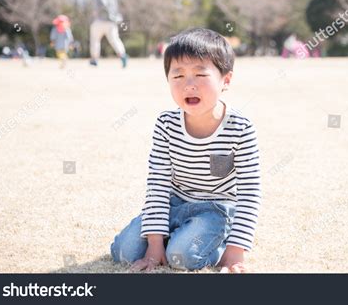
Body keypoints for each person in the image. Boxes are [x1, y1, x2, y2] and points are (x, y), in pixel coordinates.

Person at [110, 28, 262, 273]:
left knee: (181, 257)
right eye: (178, 76)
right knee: (124, 252)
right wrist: (155, 243)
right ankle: (176, 236)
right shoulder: (166, 124)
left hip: (216, 210)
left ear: (226, 80)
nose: (188, 85)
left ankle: (216, 243)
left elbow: (250, 191)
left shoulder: (240, 128)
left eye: (200, 74)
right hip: (174, 203)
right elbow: (158, 183)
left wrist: (236, 249)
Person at [90, 0, 128, 68]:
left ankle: (94, 59)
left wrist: (97, 11)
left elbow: (103, 4)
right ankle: (123, 55)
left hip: (100, 20)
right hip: (112, 21)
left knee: (95, 40)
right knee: (114, 39)